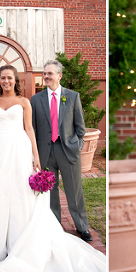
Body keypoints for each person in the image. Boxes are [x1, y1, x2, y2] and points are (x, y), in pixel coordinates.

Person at [0, 65, 105, 272]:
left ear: (15, 80)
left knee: (21, 194)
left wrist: (35, 157)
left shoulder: (24, 101)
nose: (6, 81)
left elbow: (29, 129)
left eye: (10, 78)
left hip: (19, 150)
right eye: (3, 78)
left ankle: (20, 238)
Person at [30, 59, 91, 241]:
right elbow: (32, 128)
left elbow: (80, 127)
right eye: (45, 73)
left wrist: (77, 145)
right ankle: (54, 226)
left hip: (68, 151)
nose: (46, 76)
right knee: (50, 191)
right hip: (45, 151)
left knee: (74, 190)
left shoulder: (72, 97)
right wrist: (35, 155)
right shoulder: (36, 99)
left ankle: (82, 226)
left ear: (59, 75)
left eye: (50, 73)